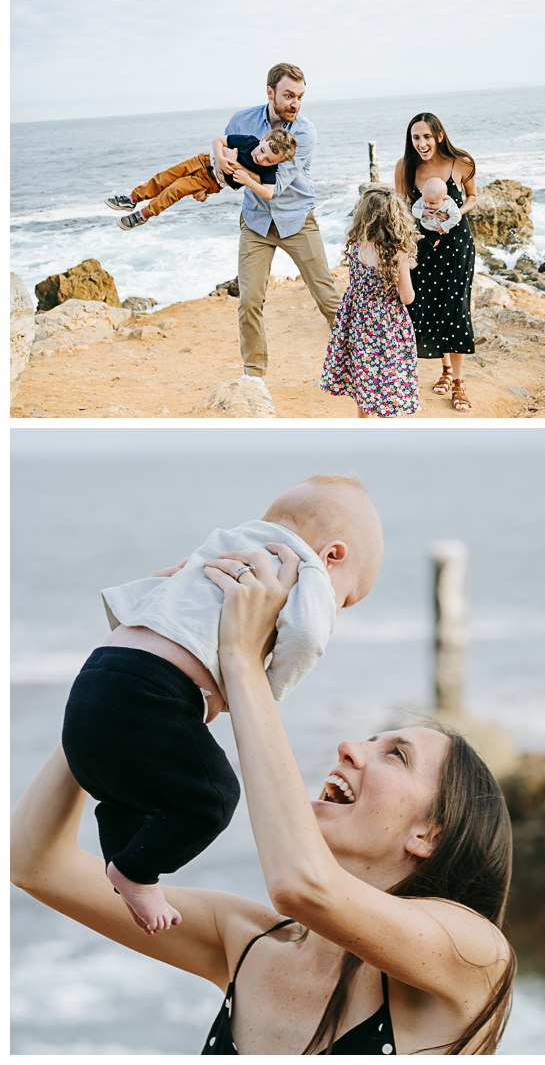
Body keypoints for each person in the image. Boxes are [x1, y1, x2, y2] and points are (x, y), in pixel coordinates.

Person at [11, 543, 516, 1055]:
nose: (351, 747)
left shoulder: (475, 957)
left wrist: (241, 657)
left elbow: (300, 885)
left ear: (428, 834)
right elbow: (36, 863)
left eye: (397, 755)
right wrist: (134, 665)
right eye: (371, 739)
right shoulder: (245, 941)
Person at [60, 475, 383, 938]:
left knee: (123, 793)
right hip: (151, 693)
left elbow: (150, 589)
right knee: (213, 797)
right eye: (347, 598)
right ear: (334, 555)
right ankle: (134, 872)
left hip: (97, 677)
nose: (338, 607)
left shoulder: (225, 543)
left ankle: (124, 869)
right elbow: (308, 636)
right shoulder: (306, 566)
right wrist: (261, 688)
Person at [221, 63, 341, 381]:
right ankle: (254, 376)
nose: (295, 103)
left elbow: (274, 188)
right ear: (270, 92)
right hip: (256, 223)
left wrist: (241, 174)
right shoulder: (241, 119)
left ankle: (356, 362)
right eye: (288, 95)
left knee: (328, 298)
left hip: (297, 219)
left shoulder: (304, 132)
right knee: (249, 300)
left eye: (300, 97)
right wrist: (215, 174)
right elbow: (223, 156)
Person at [395, 113, 478, 412]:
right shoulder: (405, 167)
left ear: (439, 136)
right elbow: (400, 208)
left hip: (457, 246)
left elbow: (472, 197)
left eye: (427, 136)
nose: (422, 143)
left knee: (456, 309)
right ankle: (443, 371)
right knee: (429, 307)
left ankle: (458, 383)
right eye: (416, 137)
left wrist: (452, 215)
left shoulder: (461, 162)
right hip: (425, 249)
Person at [320, 185, 419, 419]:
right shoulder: (397, 254)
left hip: (358, 323)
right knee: (389, 377)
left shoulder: (356, 246)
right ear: (396, 219)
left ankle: (362, 424)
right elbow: (407, 297)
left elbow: (360, 281)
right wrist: (404, 268)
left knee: (364, 374)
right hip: (386, 326)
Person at [105, 130, 297, 230]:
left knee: (176, 189)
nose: (261, 159)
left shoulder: (270, 170)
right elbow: (218, 141)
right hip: (202, 160)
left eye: (269, 160)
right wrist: (221, 158)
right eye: (263, 151)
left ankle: (145, 214)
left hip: (210, 181)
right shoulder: (249, 141)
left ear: (276, 162)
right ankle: (132, 199)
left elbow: (268, 193)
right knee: (165, 177)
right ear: (263, 139)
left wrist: (247, 180)